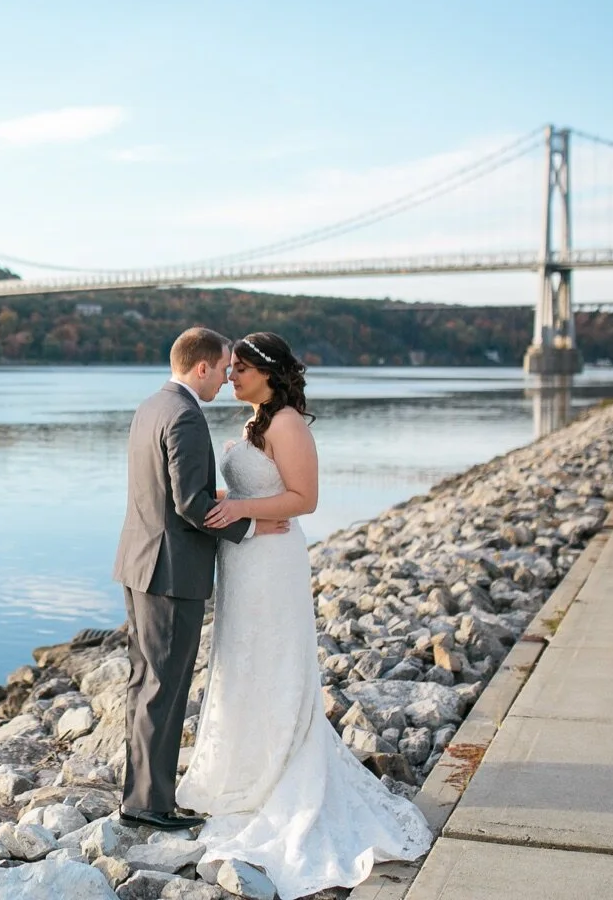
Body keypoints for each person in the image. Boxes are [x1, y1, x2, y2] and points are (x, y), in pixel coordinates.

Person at [175, 331, 432, 899]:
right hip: (242, 560)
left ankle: (277, 772)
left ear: (268, 373)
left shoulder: (287, 422)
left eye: (240, 368)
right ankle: (236, 771)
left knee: (273, 660)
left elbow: (304, 498)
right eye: (229, 367)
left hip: (272, 562)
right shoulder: (254, 424)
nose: (230, 376)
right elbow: (252, 489)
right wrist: (222, 503)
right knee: (240, 661)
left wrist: (240, 508)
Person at [112, 327, 291, 831]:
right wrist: (251, 523)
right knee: (163, 689)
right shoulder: (187, 416)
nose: (228, 377)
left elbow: (172, 490)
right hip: (171, 572)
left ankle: (140, 797)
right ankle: (149, 805)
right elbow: (190, 504)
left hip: (139, 561)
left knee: (144, 683)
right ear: (202, 368)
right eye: (225, 367)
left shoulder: (153, 405)